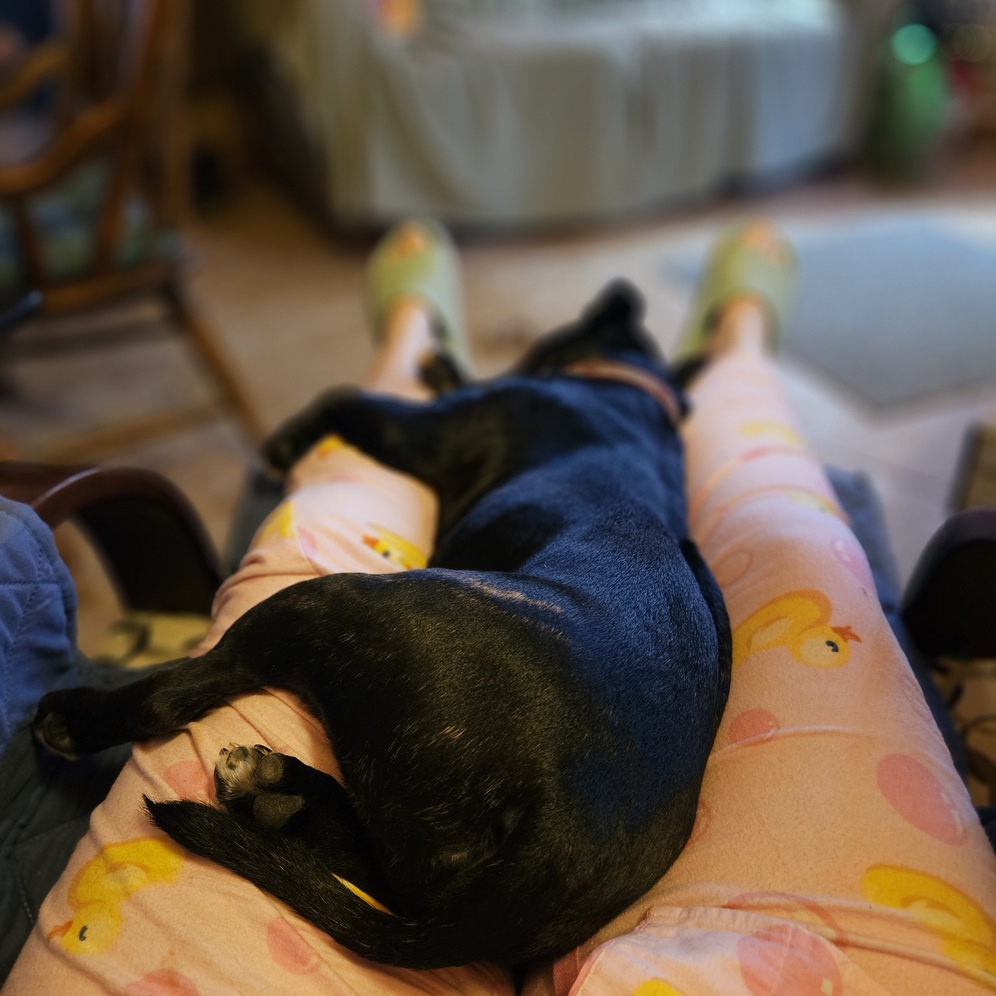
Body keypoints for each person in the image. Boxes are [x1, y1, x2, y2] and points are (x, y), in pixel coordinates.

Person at [4, 219, 996, 995]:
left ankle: (410, 344)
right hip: (597, 866)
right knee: (770, 501)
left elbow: (390, 434)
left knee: (336, 526)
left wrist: (332, 418)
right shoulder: (656, 457)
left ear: (562, 366)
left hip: (534, 702)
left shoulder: (551, 403)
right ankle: (735, 353)